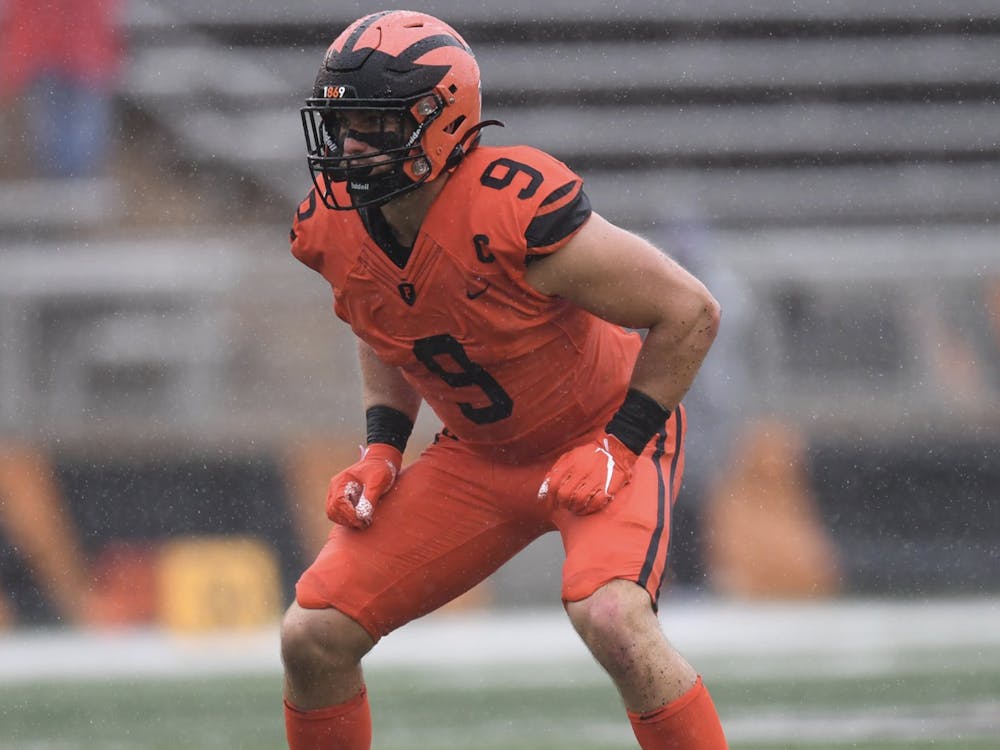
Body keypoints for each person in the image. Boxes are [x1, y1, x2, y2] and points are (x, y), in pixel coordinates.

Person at [280, 10, 727, 750]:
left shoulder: (512, 207)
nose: (352, 145)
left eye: (377, 125)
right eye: (343, 123)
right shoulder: (332, 227)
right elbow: (382, 321)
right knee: (313, 635)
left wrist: (620, 443)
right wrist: (382, 448)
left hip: (601, 430)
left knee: (614, 619)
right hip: (480, 455)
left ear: (442, 123)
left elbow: (689, 310)